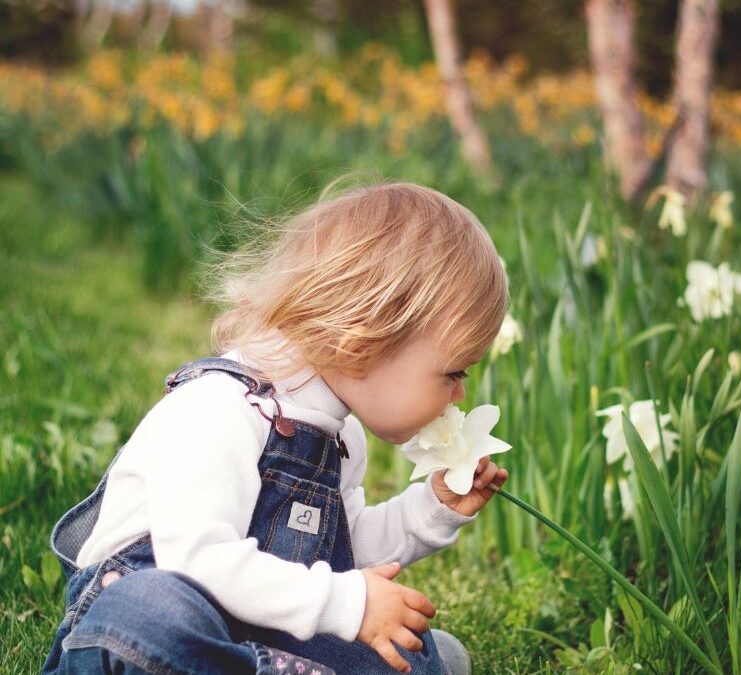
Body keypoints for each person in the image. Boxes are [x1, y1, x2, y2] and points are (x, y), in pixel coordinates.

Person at [41, 181, 511, 675]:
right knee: (153, 610)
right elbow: (196, 560)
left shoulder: (338, 437)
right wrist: (349, 606)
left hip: (253, 629)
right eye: (453, 373)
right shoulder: (218, 408)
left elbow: (338, 558)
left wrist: (431, 512)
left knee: (406, 647)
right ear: (361, 342)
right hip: (151, 629)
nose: (459, 394)